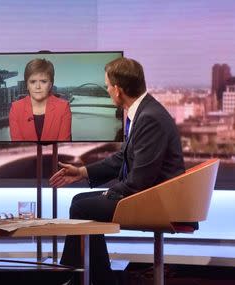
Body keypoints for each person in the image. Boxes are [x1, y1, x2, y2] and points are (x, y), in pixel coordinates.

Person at [49, 57, 185, 285]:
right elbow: (123, 159)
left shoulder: (149, 117)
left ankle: (74, 277)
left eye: (107, 86)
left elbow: (139, 180)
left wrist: (107, 193)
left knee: (82, 206)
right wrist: (81, 171)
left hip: (160, 201)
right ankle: (90, 277)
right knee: (81, 202)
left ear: (118, 90)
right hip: (153, 194)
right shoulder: (143, 111)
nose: (107, 90)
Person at [9, 58, 72, 141]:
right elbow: (18, 147)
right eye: (32, 82)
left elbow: (63, 147)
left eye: (43, 81)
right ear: (27, 85)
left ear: (50, 85)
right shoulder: (16, 109)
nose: (38, 87)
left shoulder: (63, 108)